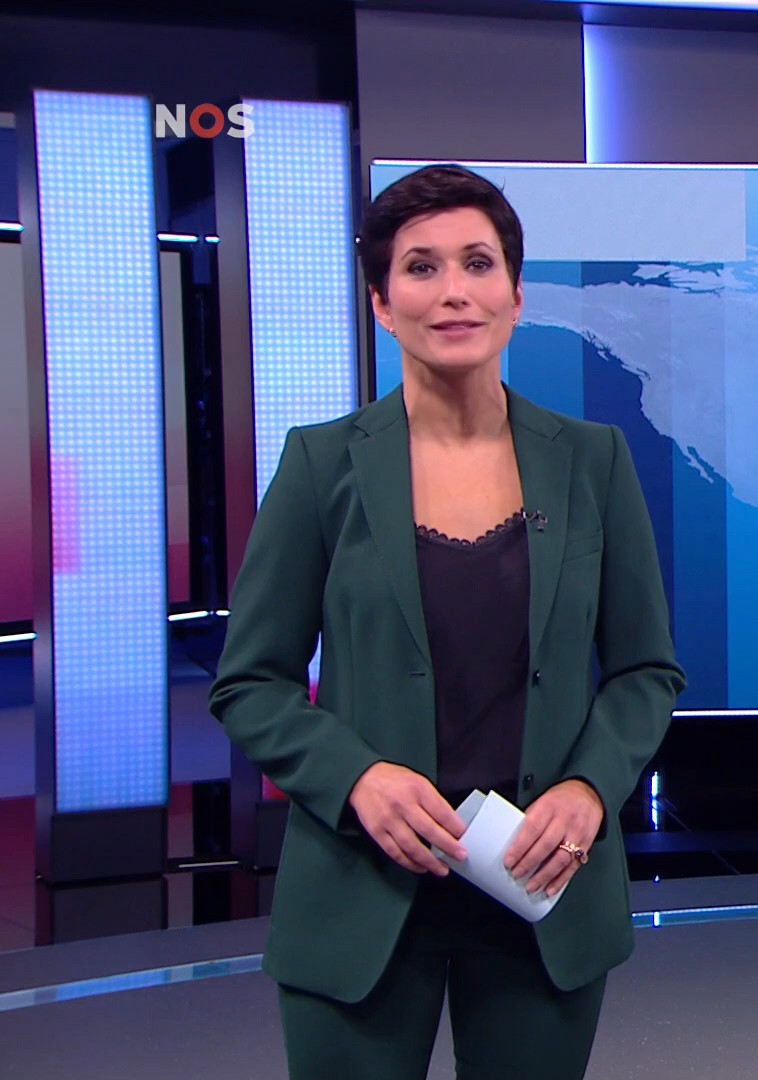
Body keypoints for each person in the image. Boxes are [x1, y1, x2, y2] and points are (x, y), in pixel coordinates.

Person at [209, 163, 685, 1080]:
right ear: (382, 305)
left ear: (516, 294)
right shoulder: (321, 466)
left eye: (478, 263)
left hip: (539, 885)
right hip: (360, 891)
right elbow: (250, 682)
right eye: (420, 268)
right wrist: (356, 778)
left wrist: (590, 790)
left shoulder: (592, 461)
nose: (454, 290)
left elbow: (645, 670)